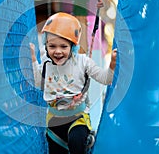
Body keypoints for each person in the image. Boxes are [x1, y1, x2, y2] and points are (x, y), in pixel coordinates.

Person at [30, 12, 117, 154]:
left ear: (73, 46)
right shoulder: (46, 64)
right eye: (52, 46)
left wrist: (112, 65)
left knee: (76, 142)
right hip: (54, 121)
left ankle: (85, 140)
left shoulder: (83, 62)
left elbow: (105, 79)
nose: (57, 52)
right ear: (46, 45)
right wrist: (34, 60)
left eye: (63, 47)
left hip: (78, 118)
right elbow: (39, 84)